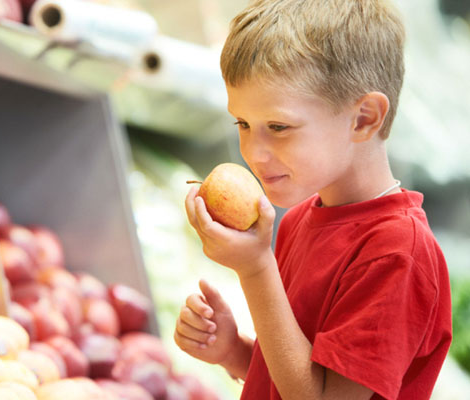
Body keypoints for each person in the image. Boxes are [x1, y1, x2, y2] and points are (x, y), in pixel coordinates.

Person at [173, 0, 453, 399]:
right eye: (243, 124)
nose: (253, 152)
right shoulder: (300, 218)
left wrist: (255, 270)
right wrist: (234, 352)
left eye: (278, 126)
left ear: (364, 118)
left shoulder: (397, 254)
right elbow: (299, 374)